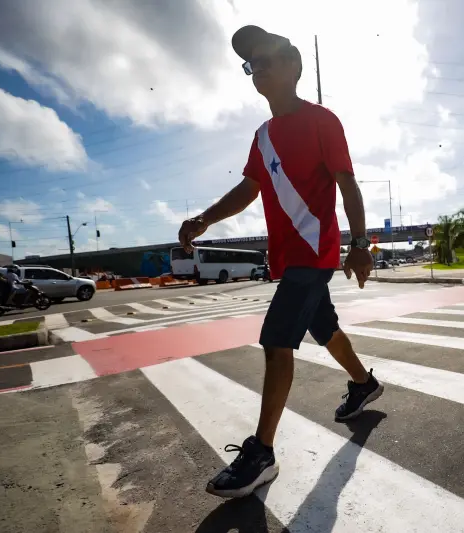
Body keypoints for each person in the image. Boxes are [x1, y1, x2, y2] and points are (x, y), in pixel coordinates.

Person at [178, 25, 384, 500]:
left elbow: (347, 183)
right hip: (289, 257)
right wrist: (206, 218)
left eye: (266, 58)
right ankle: (364, 383)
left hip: (314, 252)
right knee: (324, 329)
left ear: (293, 64)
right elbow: (250, 187)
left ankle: (262, 454)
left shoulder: (321, 121)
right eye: (251, 64)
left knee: (276, 342)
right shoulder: (262, 136)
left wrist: (358, 243)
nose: (258, 69)